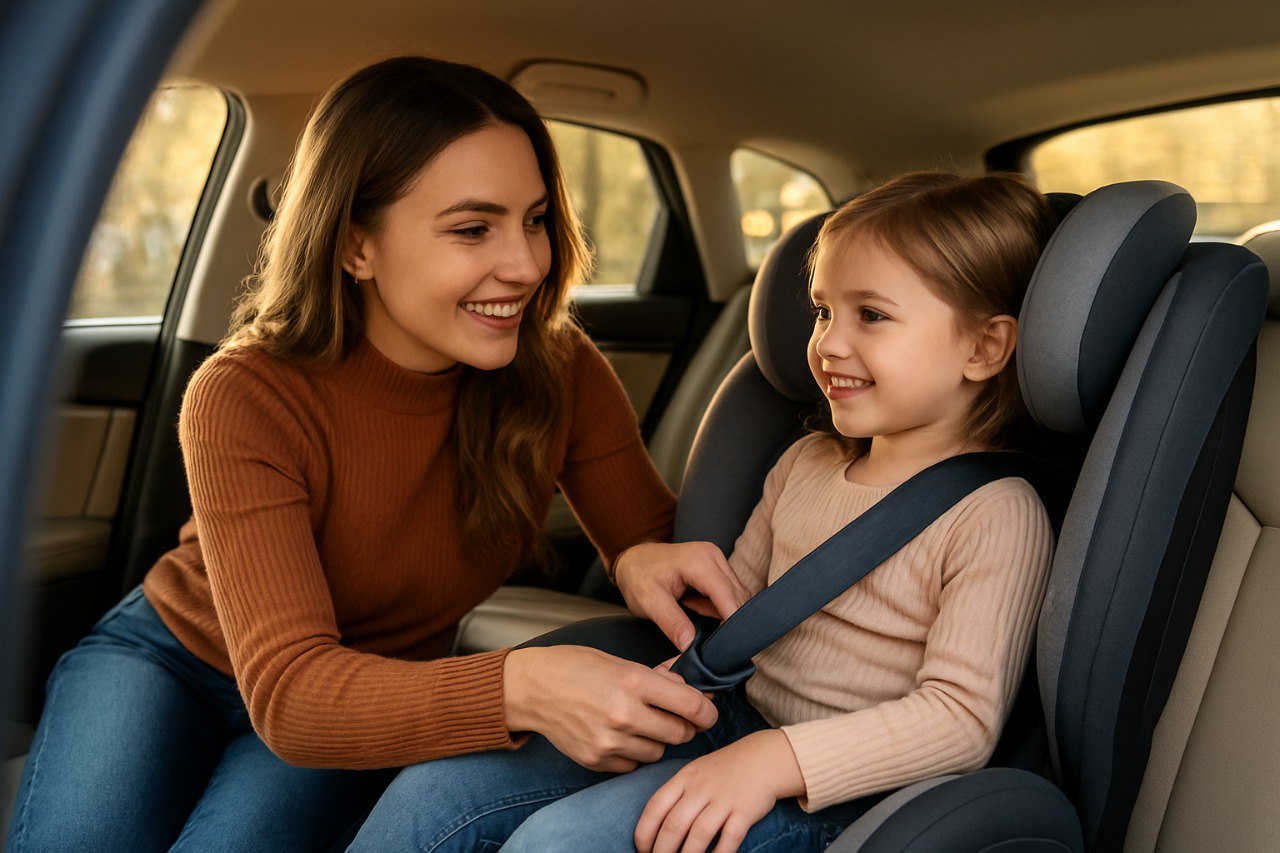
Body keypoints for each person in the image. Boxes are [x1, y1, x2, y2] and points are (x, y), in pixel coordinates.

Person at [4, 56, 745, 853]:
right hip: (175, 655)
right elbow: (289, 690)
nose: (528, 263)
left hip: (373, 686)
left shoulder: (559, 369)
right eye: (472, 228)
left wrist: (638, 553)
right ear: (356, 245)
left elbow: (657, 546)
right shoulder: (244, 393)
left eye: (534, 219)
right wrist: (518, 686)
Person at [347, 171, 1060, 853]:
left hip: (834, 792)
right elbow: (734, 616)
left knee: (558, 842)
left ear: (983, 346)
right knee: (433, 793)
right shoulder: (806, 461)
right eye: (823, 311)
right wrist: (653, 676)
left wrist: (769, 761)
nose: (829, 342)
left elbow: (959, 720)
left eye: (871, 316)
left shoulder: (994, 513)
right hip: (724, 716)